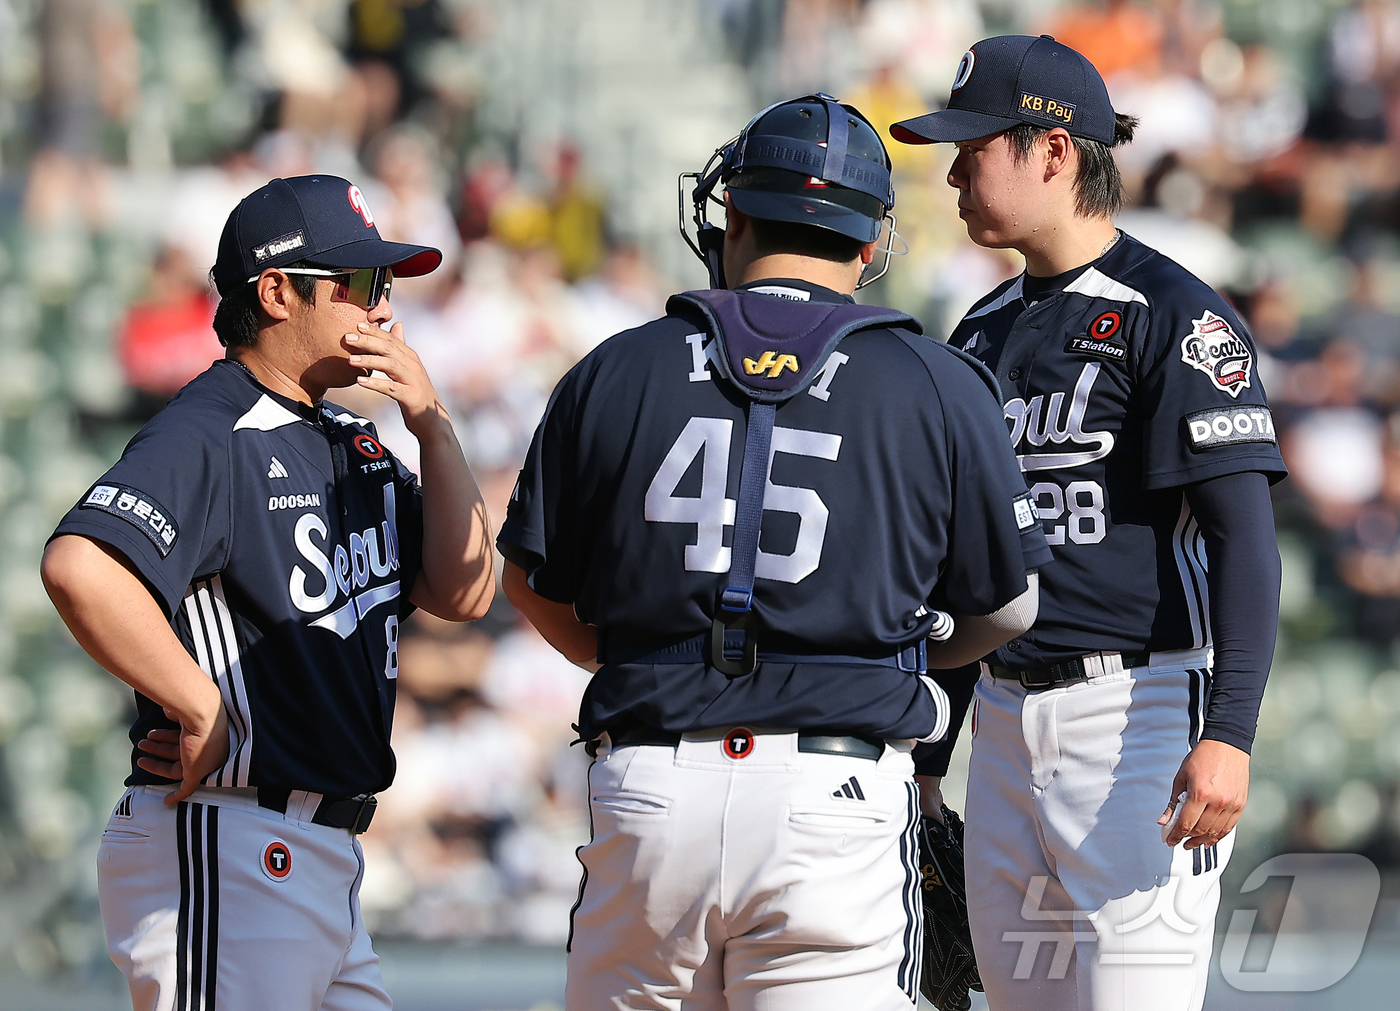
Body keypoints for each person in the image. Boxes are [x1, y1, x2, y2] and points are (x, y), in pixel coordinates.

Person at [496, 94, 1052, 1010]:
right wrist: (894, 649)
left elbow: (527, 577)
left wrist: (655, 660)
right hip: (833, 791)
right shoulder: (943, 381)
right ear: (870, 245)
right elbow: (1010, 607)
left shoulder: (616, 366)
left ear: (735, 215)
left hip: (651, 778)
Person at [891, 35, 1286, 1011]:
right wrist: (931, 765)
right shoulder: (978, 330)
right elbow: (961, 572)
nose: (952, 176)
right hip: (1000, 721)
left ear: (1053, 151)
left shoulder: (1172, 315)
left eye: (973, 149)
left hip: (1136, 718)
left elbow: (1243, 537)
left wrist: (1230, 734)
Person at [40, 174, 495, 1011]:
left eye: (385, 284)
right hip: (230, 838)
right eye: (359, 281)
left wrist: (432, 424)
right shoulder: (213, 426)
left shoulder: (351, 440)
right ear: (278, 292)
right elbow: (80, 565)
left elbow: (464, 591)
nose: (382, 307)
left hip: (318, 856)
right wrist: (198, 704)